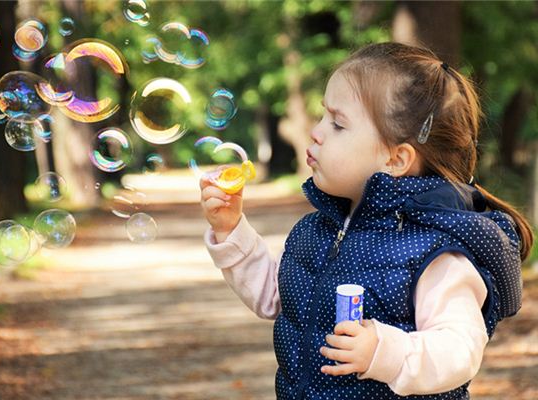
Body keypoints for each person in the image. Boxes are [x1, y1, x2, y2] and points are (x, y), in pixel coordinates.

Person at [200, 42, 534, 399]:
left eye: (338, 124)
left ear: (395, 159)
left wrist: (384, 352)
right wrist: (230, 229)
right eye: (322, 116)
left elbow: (459, 349)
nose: (316, 131)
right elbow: (277, 296)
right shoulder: (318, 230)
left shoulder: (434, 251)